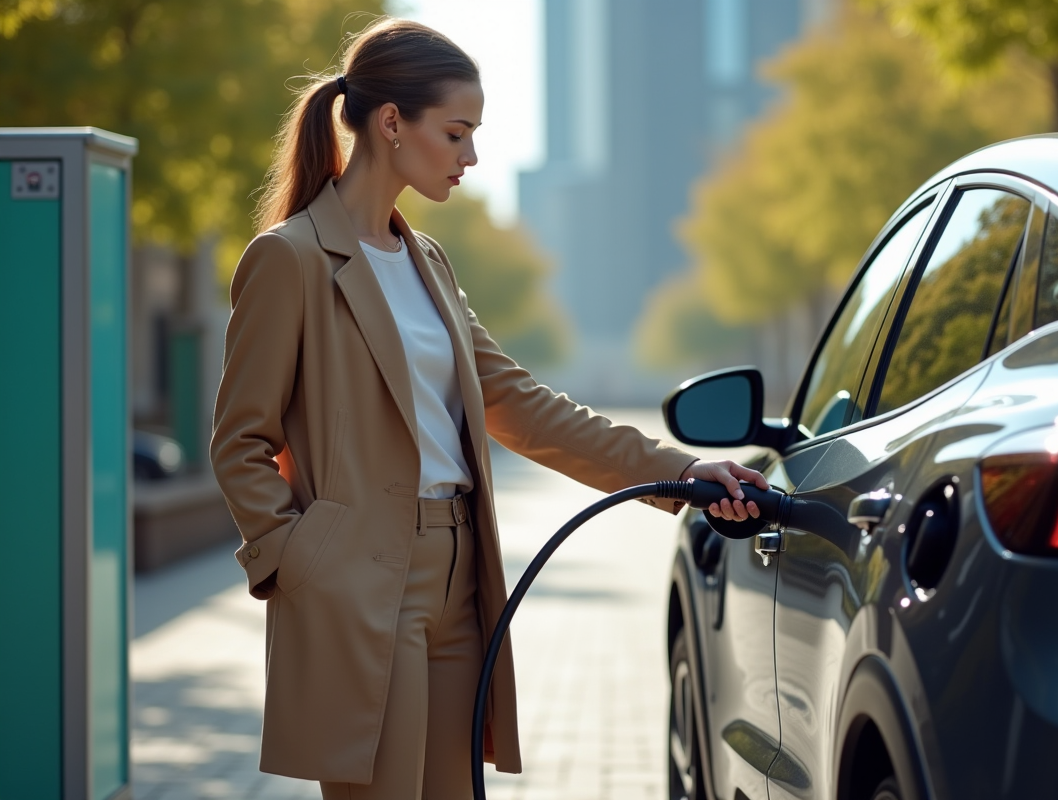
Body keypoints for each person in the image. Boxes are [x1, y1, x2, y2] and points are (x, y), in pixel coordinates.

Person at [210, 16, 766, 800]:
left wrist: (680, 472)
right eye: (458, 132)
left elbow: (526, 409)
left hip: (462, 577)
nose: (471, 156)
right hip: (359, 582)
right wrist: (299, 561)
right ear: (394, 123)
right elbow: (239, 440)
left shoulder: (428, 262)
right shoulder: (290, 260)